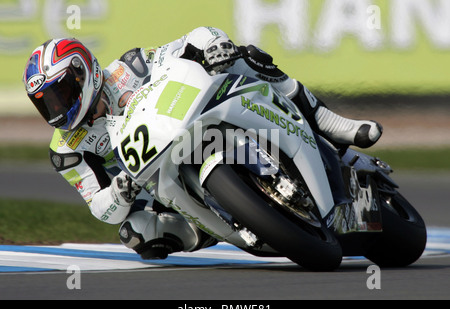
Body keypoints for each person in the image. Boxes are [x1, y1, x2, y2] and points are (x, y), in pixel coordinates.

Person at [23, 27, 382, 259]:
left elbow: (188, 42)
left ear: (85, 73)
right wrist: (119, 190)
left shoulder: (128, 67)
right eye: (47, 103)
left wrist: (213, 46)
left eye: (62, 93)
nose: (58, 108)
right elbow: (99, 207)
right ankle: (228, 224)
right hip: (156, 181)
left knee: (246, 56)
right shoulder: (67, 149)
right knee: (136, 234)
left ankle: (327, 122)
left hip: (194, 118)